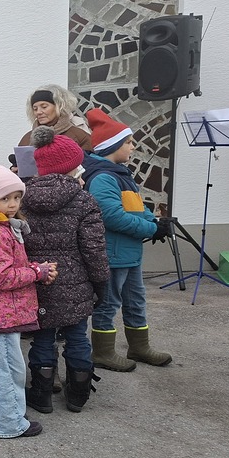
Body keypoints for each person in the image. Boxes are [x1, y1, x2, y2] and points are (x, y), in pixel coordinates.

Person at [22, 126, 109, 414]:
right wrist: (101, 284)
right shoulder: (84, 201)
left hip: (39, 280)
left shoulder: (23, 199)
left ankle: (41, 394)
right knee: (77, 337)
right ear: (72, 167)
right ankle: (78, 396)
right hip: (76, 283)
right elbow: (94, 249)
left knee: (43, 337)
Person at [0, 165, 55, 438]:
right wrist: (36, 272)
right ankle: (10, 423)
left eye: (17, 197)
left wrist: (35, 269)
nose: (13, 204)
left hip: (2, 313)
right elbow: (2, 277)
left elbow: (6, 268)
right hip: (2, 313)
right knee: (9, 369)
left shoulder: (3, 229)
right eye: (5, 198)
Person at [82, 108, 171, 370]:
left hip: (129, 254)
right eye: (129, 142)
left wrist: (155, 223)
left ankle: (139, 347)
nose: (133, 147)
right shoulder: (103, 178)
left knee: (136, 301)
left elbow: (137, 208)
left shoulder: (121, 175)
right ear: (113, 146)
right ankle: (103, 352)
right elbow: (112, 217)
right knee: (108, 303)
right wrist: (150, 230)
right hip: (112, 254)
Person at [18, 85, 92, 149]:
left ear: (59, 107)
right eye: (35, 109)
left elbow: (91, 159)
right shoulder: (27, 139)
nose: (38, 112)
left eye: (44, 107)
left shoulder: (78, 135)